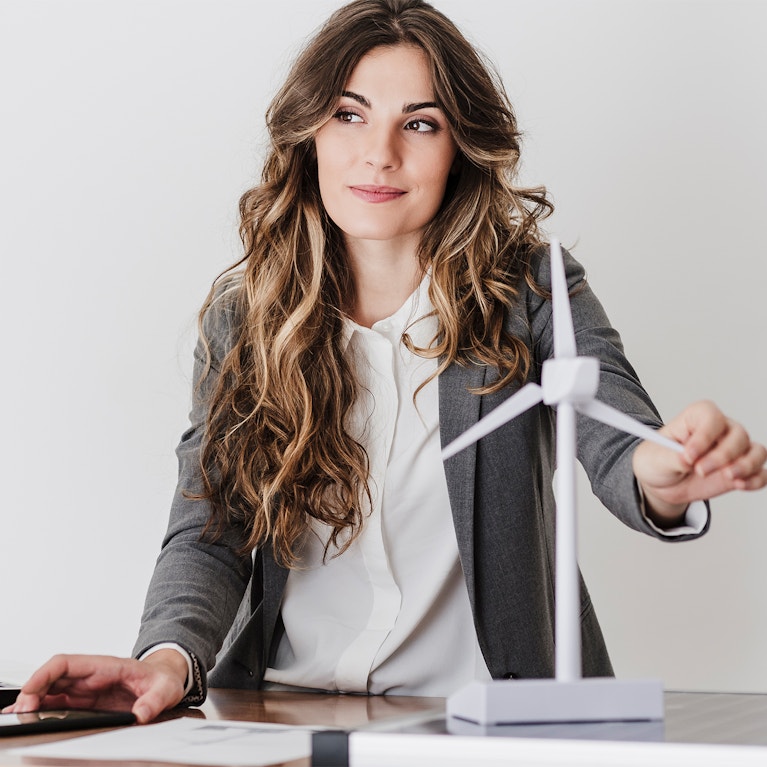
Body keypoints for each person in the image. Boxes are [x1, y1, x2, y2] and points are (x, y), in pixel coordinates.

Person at [6, 0, 767, 725]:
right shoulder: (246, 318)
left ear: (458, 147)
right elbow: (212, 524)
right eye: (348, 114)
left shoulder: (531, 286)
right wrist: (168, 656)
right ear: (308, 131)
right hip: (279, 718)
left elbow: (617, 436)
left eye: (421, 123)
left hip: (483, 722)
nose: (379, 153)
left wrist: (662, 473)